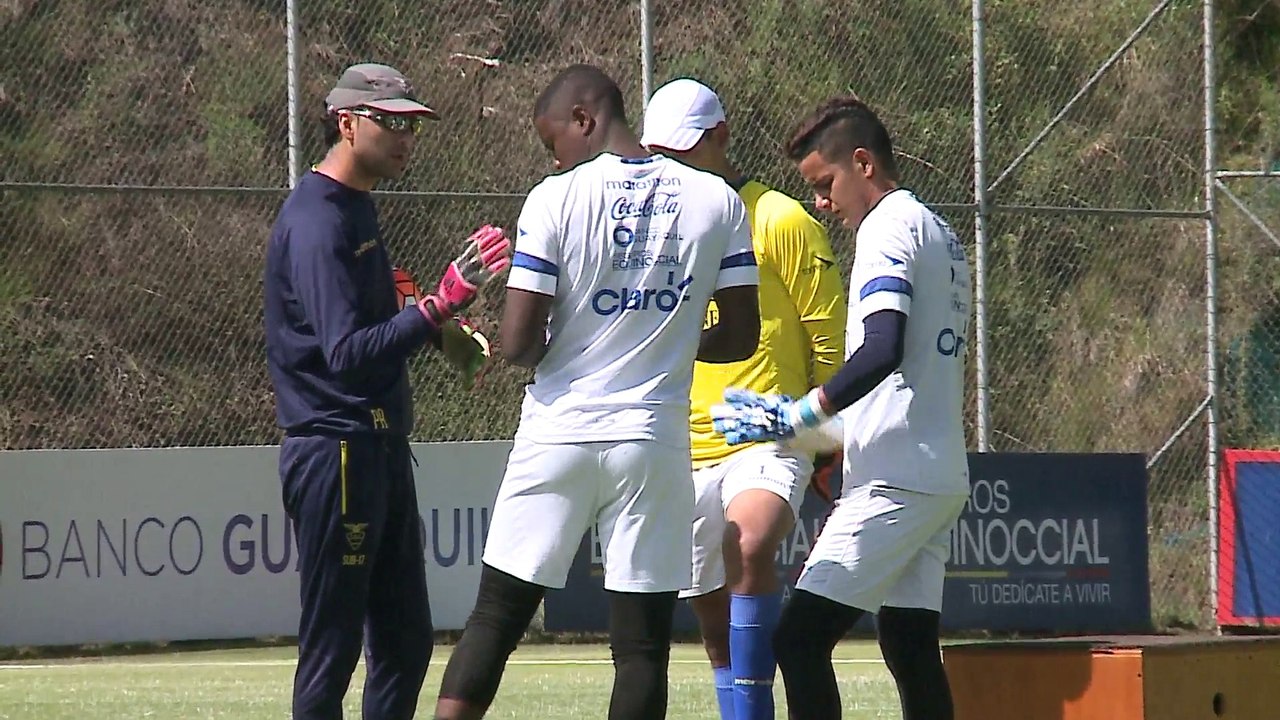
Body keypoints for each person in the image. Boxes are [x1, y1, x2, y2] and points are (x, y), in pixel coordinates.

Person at [433, 64, 762, 720]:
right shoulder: (717, 200)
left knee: (497, 616)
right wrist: (668, 340)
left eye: (553, 140)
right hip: (651, 440)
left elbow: (519, 344)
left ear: (585, 118)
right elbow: (742, 334)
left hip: (559, 432)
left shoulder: (555, 198)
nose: (554, 156)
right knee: (640, 648)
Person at [263, 62, 511, 720]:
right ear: (346, 122)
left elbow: (374, 318)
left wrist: (438, 328)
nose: (405, 136)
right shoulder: (317, 220)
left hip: (376, 447)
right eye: (389, 122)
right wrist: (437, 307)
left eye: (411, 124)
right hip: (337, 450)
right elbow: (344, 355)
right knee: (333, 648)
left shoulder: (356, 206)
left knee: (404, 643)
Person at [712, 96, 972, 720]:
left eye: (825, 185)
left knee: (798, 641)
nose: (822, 204)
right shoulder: (938, 229)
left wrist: (799, 416)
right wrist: (819, 435)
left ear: (862, 164)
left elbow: (882, 349)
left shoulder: (885, 228)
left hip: (897, 482)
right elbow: (906, 373)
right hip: (936, 473)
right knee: (909, 645)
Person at [639, 78, 847, 720]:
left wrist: (826, 447)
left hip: (768, 438)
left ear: (722, 138)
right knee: (715, 631)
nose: (667, 167)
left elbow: (833, 344)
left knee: (751, 545)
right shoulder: (654, 235)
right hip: (681, 450)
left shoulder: (783, 219)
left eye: (683, 151)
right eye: (658, 154)